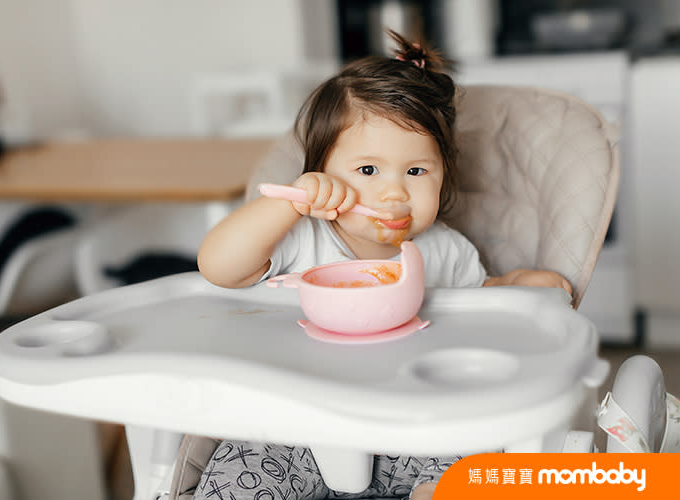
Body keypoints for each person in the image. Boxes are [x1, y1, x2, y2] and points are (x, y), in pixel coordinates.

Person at [195, 30, 571, 500]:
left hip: (411, 431)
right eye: (368, 170)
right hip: (297, 428)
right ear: (321, 173)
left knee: (483, 467)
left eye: (416, 172)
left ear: (443, 176)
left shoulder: (444, 250)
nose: (394, 193)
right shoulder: (297, 237)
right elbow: (218, 266)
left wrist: (515, 284)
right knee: (235, 478)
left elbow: (481, 306)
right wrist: (288, 205)